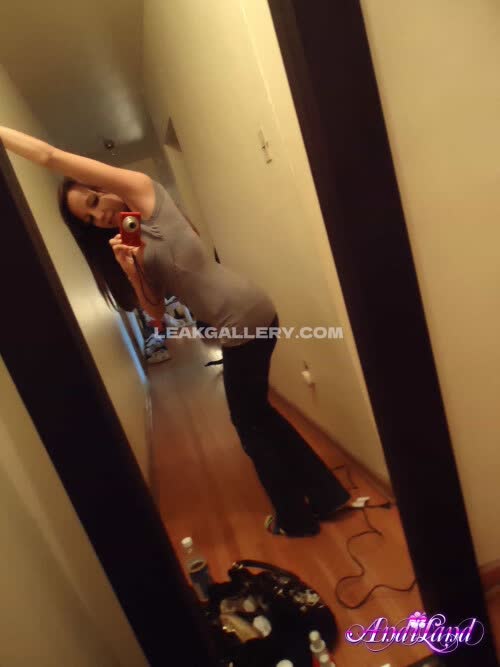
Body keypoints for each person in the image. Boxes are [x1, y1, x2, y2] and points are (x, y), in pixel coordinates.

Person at [1, 126, 350, 537]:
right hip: (244, 317)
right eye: (89, 219)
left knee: (249, 424)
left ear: (102, 184)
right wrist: (132, 271)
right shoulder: (128, 241)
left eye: (94, 202)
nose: (99, 217)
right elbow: (156, 315)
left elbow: (47, 156)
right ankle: (325, 495)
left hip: (241, 317)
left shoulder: (144, 193)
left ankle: (296, 519)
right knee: (258, 414)